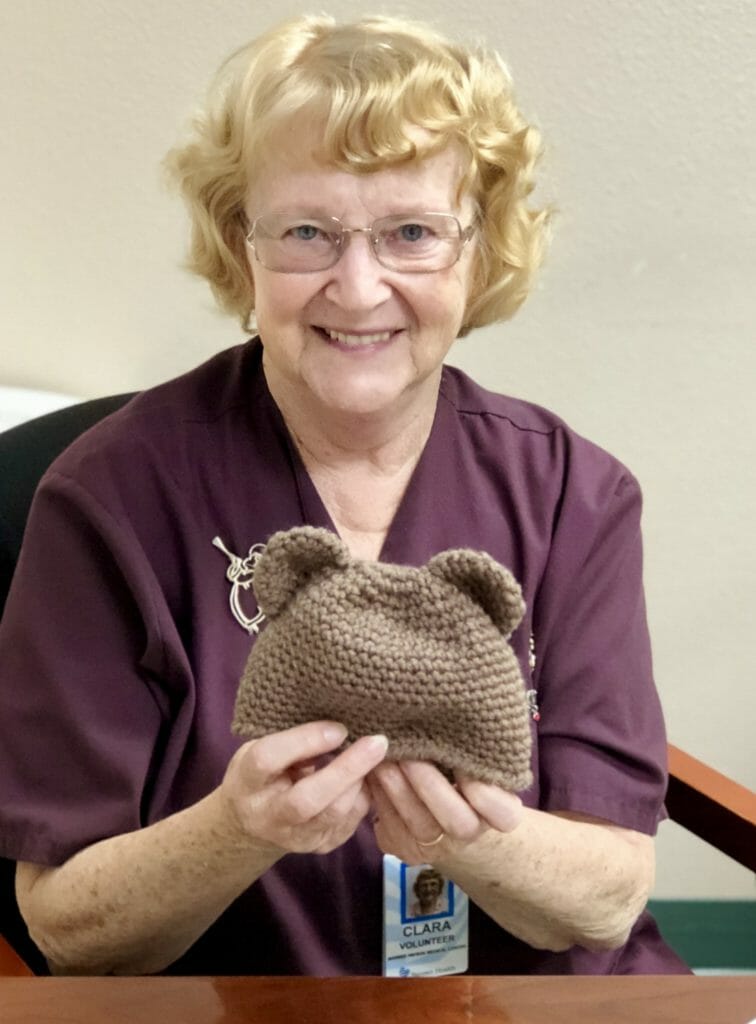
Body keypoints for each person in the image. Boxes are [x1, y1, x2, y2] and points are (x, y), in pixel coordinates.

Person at [0, 14, 689, 975]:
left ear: (478, 252)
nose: (358, 288)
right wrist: (238, 829)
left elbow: (607, 900)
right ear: (241, 245)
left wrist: (477, 842)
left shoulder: (574, 494)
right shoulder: (111, 498)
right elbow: (70, 931)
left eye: (411, 232)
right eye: (307, 233)